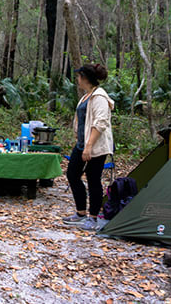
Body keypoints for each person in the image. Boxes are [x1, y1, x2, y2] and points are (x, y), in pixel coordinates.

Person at [62, 63, 115, 231]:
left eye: (79, 76)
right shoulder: (86, 96)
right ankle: (80, 212)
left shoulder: (99, 97)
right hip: (82, 144)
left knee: (93, 179)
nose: (77, 79)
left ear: (85, 78)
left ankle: (93, 217)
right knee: (72, 174)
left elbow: (100, 123)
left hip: (95, 146)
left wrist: (89, 146)